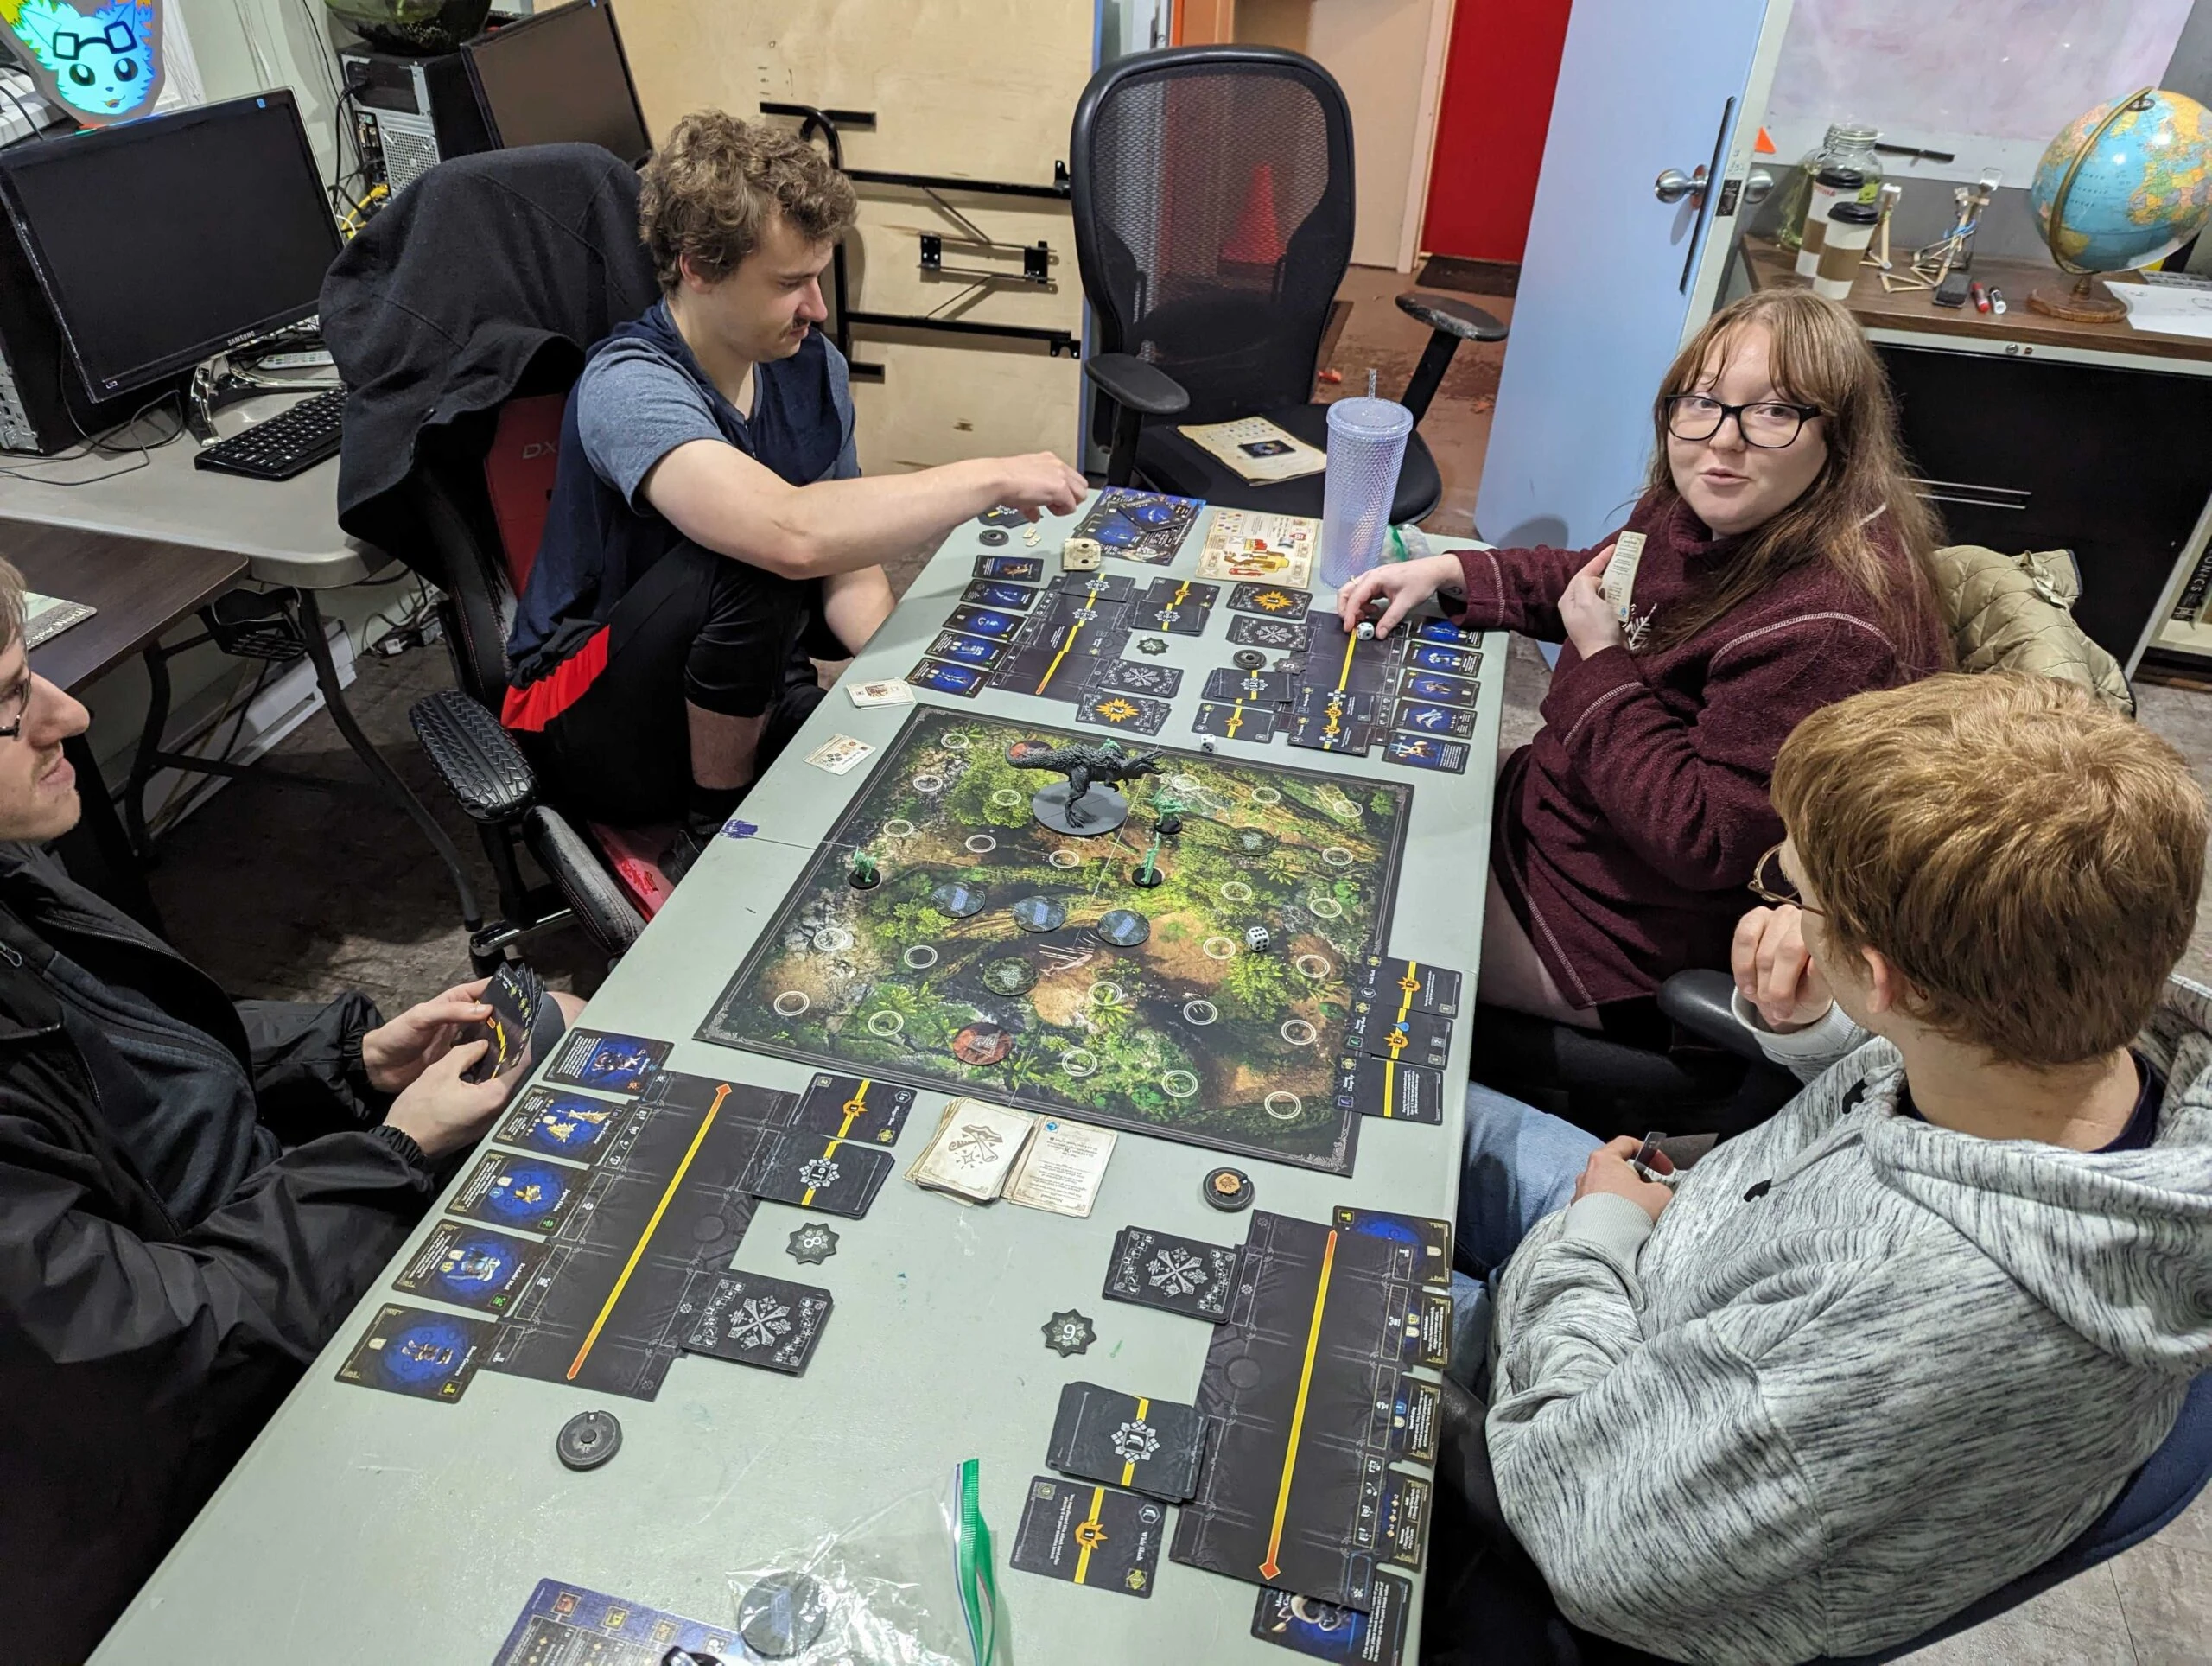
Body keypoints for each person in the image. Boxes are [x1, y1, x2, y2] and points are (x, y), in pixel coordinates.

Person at [1423, 673, 2212, 1666]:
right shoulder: (2069, 1031)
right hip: (1673, 1234)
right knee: (1353, 1072)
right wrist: (1818, 1032)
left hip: (1583, 1399)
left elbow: (1575, 1523)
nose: (1782, 908)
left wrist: (1597, 1240)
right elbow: (1902, 1083)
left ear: (1880, 974)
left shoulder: (1909, 1332)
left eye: (1796, 891)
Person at [0, 563, 567, 1662]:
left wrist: (351, 1058)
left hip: (249, 1243)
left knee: (560, 1052)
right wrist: (395, 1150)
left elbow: (148, 1051)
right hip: (165, 1465)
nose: (67, 715)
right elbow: (166, 1350)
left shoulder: (13, 867)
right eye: (11, 700)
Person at [1337, 289, 1948, 1031]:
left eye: (1773, 412)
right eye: (1703, 403)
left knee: (1340, 921)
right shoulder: (1712, 503)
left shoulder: (1830, 626)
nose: (1723, 440)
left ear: (1839, 435)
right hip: (1559, 818)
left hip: (1612, 931)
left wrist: (1600, 659)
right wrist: (1454, 572)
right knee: (1352, 793)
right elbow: (1598, 584)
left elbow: (1706, 840)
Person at [500, 111, 1088, 873]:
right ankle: (710, 830)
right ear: (698, 268)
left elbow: (844, 557)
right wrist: (992, 476)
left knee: (903, 775)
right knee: (754, 552)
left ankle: (750, 770)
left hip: (741, 690)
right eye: (788, 284)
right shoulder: (629, 385)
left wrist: (914, 679)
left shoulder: (811, 367)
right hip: (586, 713)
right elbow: (791, 534)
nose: (817, 307)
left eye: (817, 276)